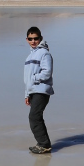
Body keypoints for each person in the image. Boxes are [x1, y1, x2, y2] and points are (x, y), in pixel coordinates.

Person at [23, 26, 53, 154]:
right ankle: (43, 143)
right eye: (30, 39)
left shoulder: (44, 53)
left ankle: (44, 144)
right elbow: (26, 79)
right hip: (33, 90)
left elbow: (47, 72)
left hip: (41, 90)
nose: (33, 41)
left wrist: (35, 78)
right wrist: (27, 94)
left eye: (36, 38)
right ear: (27, 39)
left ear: (40, 38)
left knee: (34, 116)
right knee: (36, 116)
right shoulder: (30, 56)